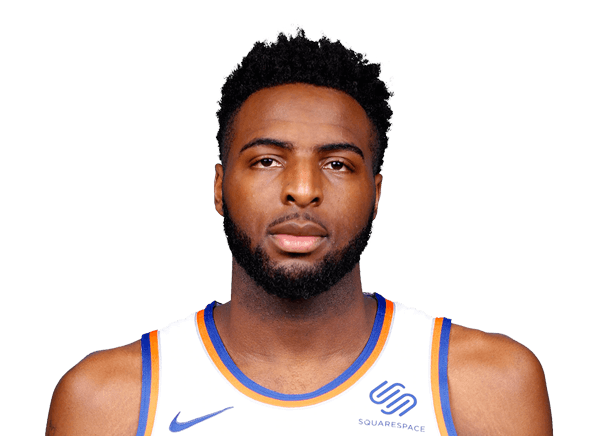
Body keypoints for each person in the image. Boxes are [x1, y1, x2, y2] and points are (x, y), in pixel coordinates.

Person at [45, 26, 553, 435]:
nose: (303, 190)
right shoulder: (109, 401)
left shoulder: (487, 385)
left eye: (337, 164)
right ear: (219, 186)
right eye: (267, 160)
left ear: (377, 192)